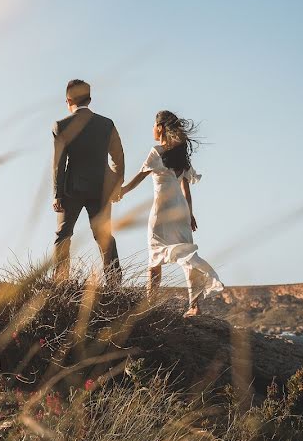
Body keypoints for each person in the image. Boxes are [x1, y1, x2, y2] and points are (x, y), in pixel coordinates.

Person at [119, 110, 223, 316]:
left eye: (153, 125)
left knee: (155, 257)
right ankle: (195, 306)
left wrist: (121, 191)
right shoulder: (180, 157)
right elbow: (187, 191)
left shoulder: (157, 152)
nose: (152, 129)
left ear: (160, 128)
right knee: (186, 254)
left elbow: (139, 178)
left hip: (162, 211)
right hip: (182, 210)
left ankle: (150, 303)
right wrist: (190, 214)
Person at [52, 79, 125, 285]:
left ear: (68, 100)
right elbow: (118, 157)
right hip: (101, 190)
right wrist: (117, 185)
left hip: (70, 190)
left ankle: (60, 282)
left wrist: (57, 194)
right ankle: (114, 283)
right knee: (104, 236)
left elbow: (59, 164)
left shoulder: (61, 125)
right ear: (90, 99)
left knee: (63, 236)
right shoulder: (106, 124)